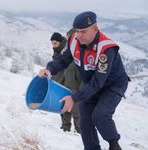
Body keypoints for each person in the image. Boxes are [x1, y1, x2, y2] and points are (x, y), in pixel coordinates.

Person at [39, 11, 129, 150]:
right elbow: (62, 60)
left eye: (84, 31)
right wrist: (49, 69)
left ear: (95, 29)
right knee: (85, 121)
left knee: (100, 115)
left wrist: (74, 97)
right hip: (91, 84)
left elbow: (98, 82)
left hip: (112, 86)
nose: (79, 35)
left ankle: (114, 144)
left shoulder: (106, 48)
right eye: (78, 31)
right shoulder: (73, 40)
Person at [50, 31, 81, 133]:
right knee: (64, 106)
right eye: (52, 43)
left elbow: (68, 69)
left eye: (55, 43)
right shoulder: (57, 52)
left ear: (60, 42)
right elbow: (57, 69)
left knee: (75, 108)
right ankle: (65, 127)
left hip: (72, 82)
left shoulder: (68, 50)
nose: (53, 46)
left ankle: (79, 130)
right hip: (62, 83)